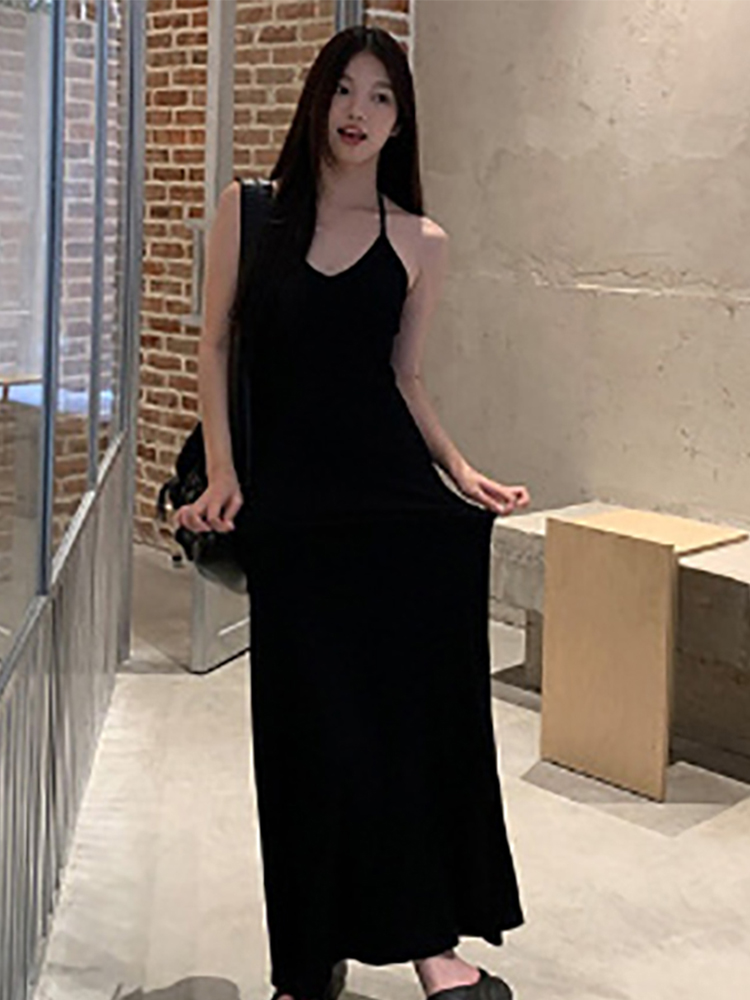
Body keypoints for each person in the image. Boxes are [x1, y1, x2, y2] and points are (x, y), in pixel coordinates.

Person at [176, 24, 530, 1000]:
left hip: (394, 513)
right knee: (303, 742)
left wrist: (460, 468)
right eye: (344, 88)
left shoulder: (422, 241)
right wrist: (223, 471)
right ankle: (306, 961)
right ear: (316, 98)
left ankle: (429, 942)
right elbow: (215, 346)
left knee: (406, 728)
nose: (359, 111)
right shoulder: (251, 213)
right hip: (294, 518)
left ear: (400, 120)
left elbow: (403, 376)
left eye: (381, 96)